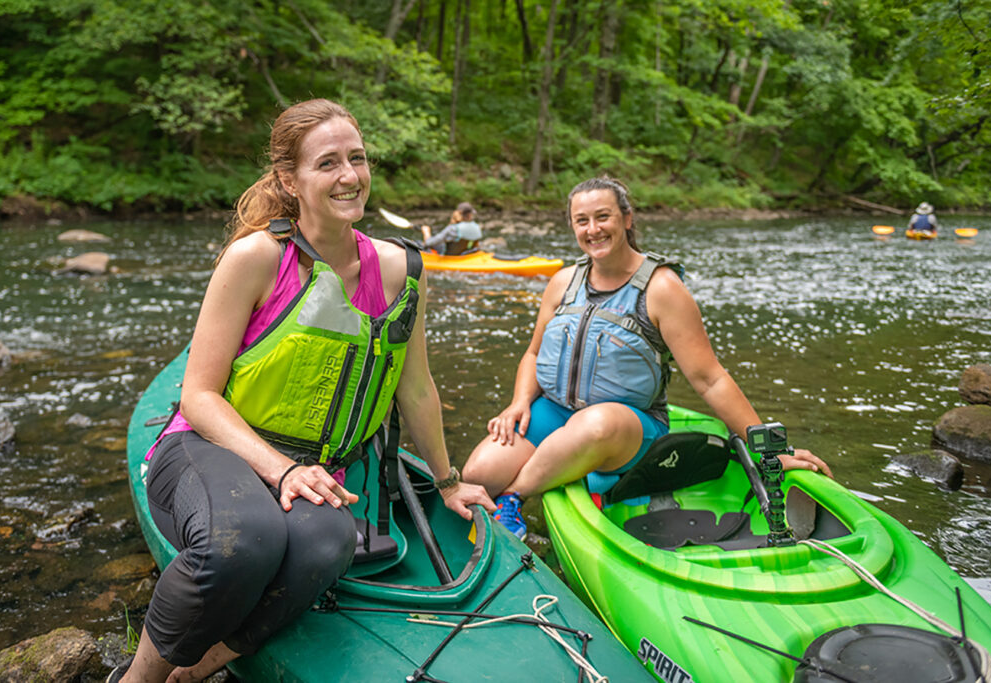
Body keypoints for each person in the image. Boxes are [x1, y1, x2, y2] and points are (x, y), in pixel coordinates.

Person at [113, 99, 493, 683]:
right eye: (328, 163)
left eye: (357, 158)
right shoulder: (256, 257)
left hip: (312, 467)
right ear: (290, 181)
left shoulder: (402, 271)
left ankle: (196, 671)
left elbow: (415, 390)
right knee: (244, 543)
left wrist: (448, 482)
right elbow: (198, 395)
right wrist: (281, 470)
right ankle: (137, 678)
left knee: (328, 545)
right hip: (212, 446)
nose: (349, 176)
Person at [461, 176, 832, 540]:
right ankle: (546, 473)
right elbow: (533, 353)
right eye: (582, 220)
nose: (593, 229)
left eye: (603, 217)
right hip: (556, 412)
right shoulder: (563, 282)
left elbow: (710, 378)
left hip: (625, 427)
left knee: (596, 424)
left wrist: (769, 451)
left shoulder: (662, 288)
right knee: (477, 474)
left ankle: (514, 497)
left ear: (627, 218)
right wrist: (519, 402)